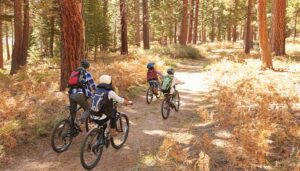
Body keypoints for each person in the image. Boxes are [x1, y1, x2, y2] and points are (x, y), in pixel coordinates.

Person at [69, 59, 96, 132]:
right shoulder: (86, 73)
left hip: (71, 93)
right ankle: (79, 122)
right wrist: (96, 91)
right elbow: (93, 85)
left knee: (73, 111)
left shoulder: (74, 73)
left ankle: (71, 127)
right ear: (87, 67)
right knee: (88, 109)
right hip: (80, 94)